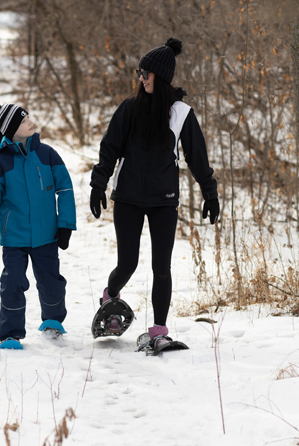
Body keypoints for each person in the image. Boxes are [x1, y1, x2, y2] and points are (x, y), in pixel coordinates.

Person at [89, 38, 220, 352]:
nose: (140, 78)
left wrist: (210, 193)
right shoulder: (129, 108)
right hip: (128, 198)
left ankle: (159, 330)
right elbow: (110, 149)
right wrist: (98, 184)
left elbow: (197, 157)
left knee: (162, 267)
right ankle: (110, 296)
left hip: (164, 200)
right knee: (128, 263)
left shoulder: (181, 114)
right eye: (139, 73)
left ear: (159, 77)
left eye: (145, 74)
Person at [0, 103, 76, 349]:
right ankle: (11, 334)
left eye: (28, 116)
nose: (30, 121)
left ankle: (52, 321)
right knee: (12, 284)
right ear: (11, 130)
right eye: (23, 121)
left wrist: (65, 225)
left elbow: (65, 189)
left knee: (51, 282)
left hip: (47, 235)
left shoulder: (47, 154)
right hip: (15, 238)